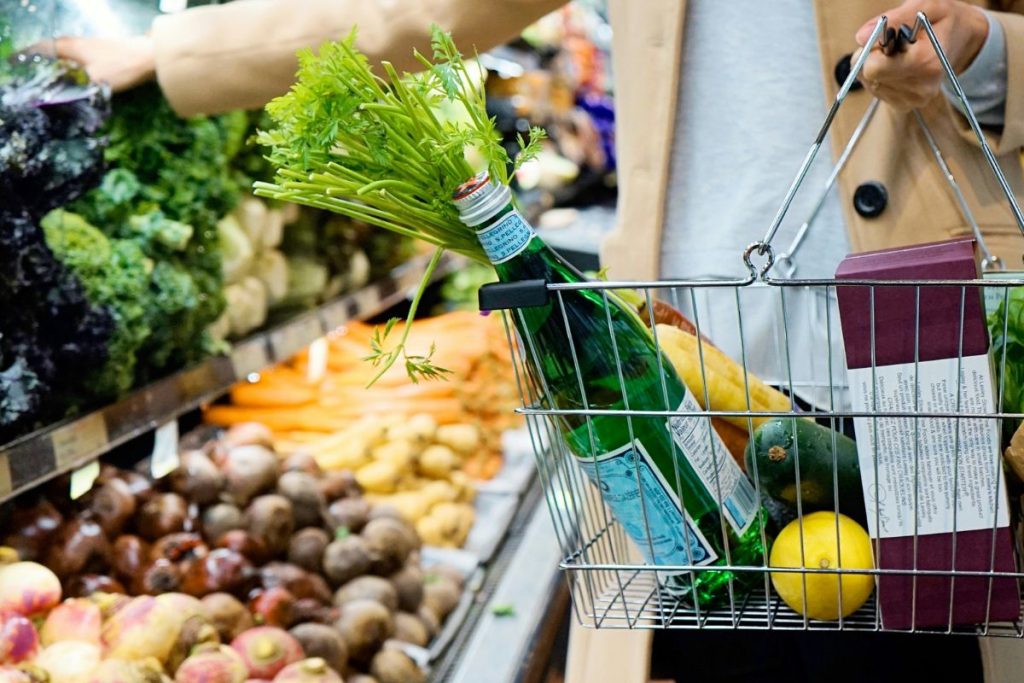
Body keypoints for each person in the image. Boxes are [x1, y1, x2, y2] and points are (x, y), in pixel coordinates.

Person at [54, 1, 1024, 681]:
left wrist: (982, 54)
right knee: (730, 646)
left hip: (922, 362)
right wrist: (174, 51)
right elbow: (410, 10)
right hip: (678, 372)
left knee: (926, 650)